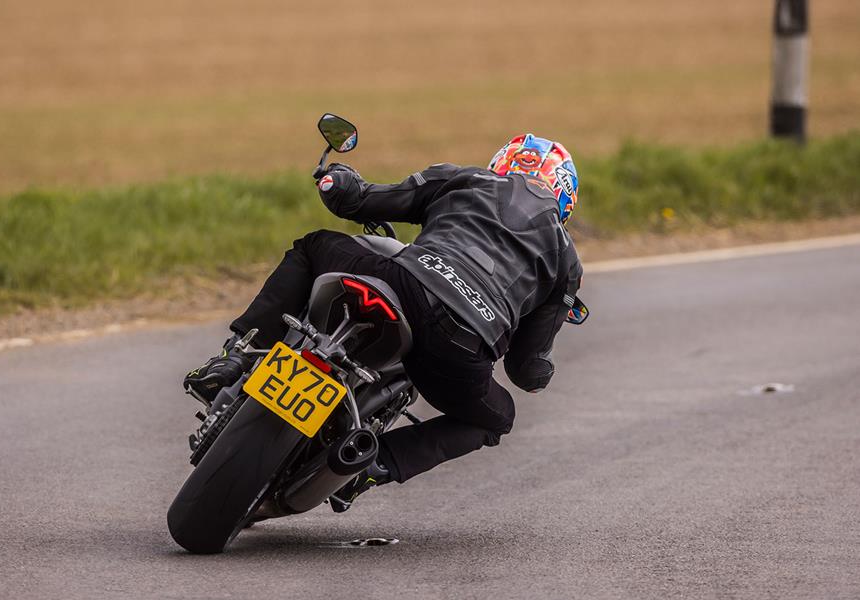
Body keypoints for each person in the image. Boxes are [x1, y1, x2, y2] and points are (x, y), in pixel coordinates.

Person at [184, 133, 584, 511]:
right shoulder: (566, 261)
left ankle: (235, 356)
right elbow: (526, 371)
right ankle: (375, 468)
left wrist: (336, 178)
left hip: (406, 283)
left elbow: (359, 200)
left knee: (313, 247)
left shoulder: (465, 178)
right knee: (496, 418)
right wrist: (544, 368)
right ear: (565, 198)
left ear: (501, 164)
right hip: (462, 345)